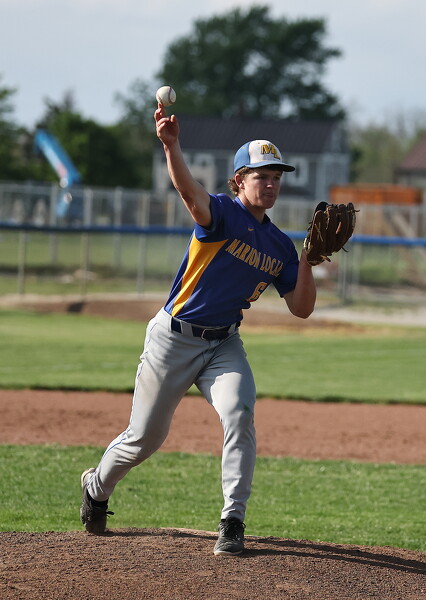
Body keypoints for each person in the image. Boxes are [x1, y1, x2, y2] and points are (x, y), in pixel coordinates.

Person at [80, 103, 317, 556]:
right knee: (144, 439)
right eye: (261, 176)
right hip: (172, 339)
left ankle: (233, 520)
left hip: (223, 343)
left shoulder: (281, 246)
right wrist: (171, 146)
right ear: (239, 180)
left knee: (239, 412)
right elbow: (190, 194)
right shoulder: (222, 214)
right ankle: (97, 486)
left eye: (276, 177)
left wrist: (307, 260)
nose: (270, 184)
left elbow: (302, 308)